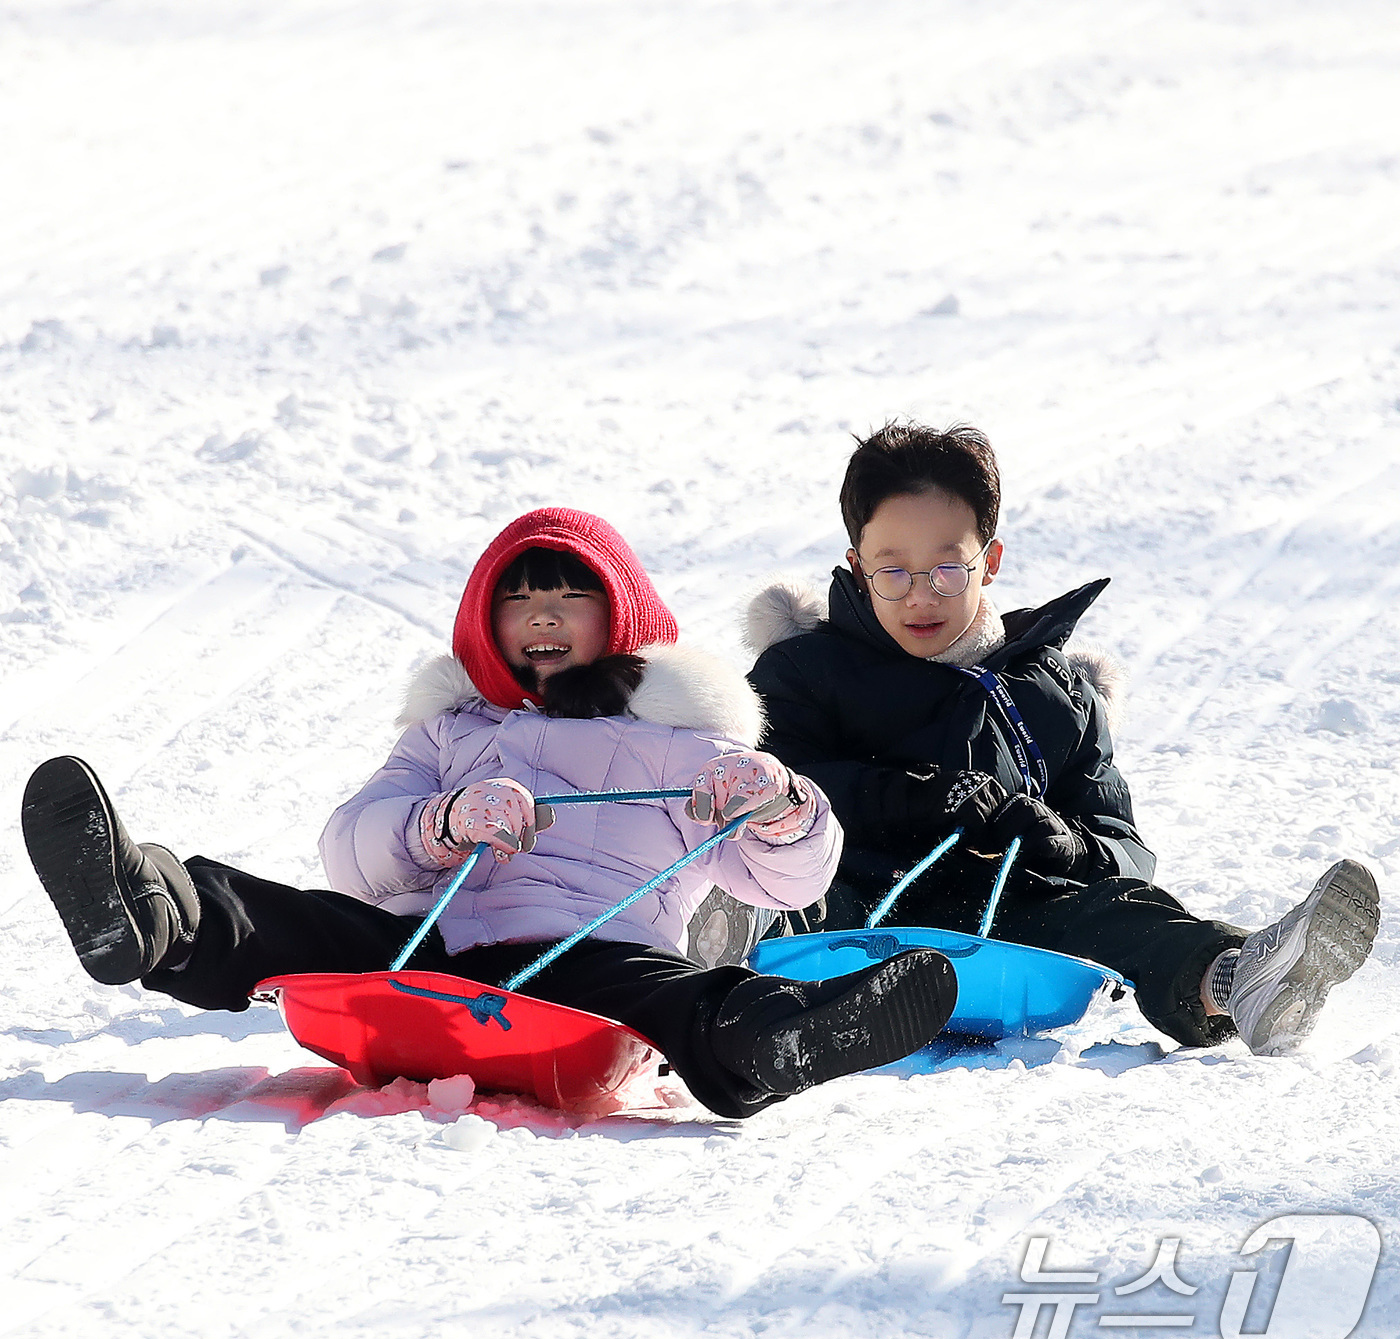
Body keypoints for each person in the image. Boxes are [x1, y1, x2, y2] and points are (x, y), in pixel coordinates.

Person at [22, 506, 956, 1119]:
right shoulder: (449, 734)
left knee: (672, 993)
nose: (541, 614)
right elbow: (352, 849)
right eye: (517, 598)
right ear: (486, 619)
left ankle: (779, 1034)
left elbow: (791, 880)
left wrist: (780, 805)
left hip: (587, 968)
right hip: (429, 949)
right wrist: (441, 822)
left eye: (567, 595)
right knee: (292, 911)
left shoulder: (687, 747)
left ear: (619, 613)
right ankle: (148, 914)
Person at [747, 423, 1381, 1057]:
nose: (922, 596)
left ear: (988, 562)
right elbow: (774, 785)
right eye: (895, 573)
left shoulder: (1056, 696)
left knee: (1121, 910)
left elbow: (1122, 845)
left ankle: (1242, 984)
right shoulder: (809, 671)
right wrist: (912, 798)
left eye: (946, 570)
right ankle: (717, 979)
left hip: (1007, 929)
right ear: (859, 568)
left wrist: (1066, 847)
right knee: (782, 882)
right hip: (855, 917)